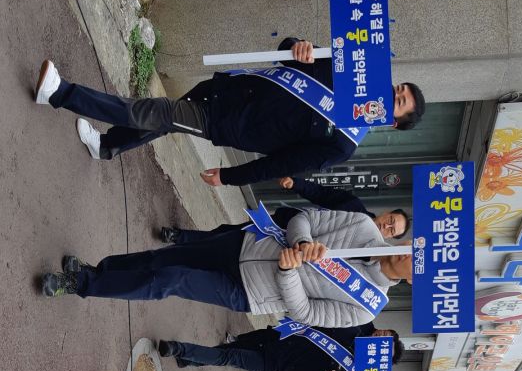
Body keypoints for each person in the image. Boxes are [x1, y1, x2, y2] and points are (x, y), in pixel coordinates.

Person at [34, 40, 425, 185]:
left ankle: (60, 94)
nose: (392, 93)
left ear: (392, 122)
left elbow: (280, 165)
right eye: (398, 88)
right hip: (231, 88)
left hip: (228, 124)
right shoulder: (346, 71)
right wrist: (299, 46)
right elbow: (286, 53)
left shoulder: (342, 143)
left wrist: (230, 177)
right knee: (165, 120)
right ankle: (107, 147)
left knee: (156, 112)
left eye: (399, 101)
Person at [40, 208, 413, 329]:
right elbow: (304, 218)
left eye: (418, 267)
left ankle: (79, 284)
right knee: (160, 259)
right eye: (416, 252)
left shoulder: (367, 306)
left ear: (413, 282)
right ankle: (96, 271)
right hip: (246, 244)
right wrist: (301, 242)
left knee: (170, 280)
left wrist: (288, 273)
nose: (410, 258)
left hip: (248, 291)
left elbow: (306, 313)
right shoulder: (363, 226)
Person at [157, 323, 404, 371]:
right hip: (283, 339)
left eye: (384, 351)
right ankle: (189, 359)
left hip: (280, 365)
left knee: (230, 357)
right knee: (230, 350)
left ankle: (179, 349)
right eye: (383, 341)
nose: (378, 344)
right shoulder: (356, 327)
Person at [278, 175, 411, 240]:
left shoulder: (365, 255)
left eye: (391, 230)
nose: (386, 226)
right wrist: (296, 184)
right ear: (386, 213)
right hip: (285, 223)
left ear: (388, 238)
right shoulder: (353, 204)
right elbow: (321, 194)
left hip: (292, 252)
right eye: (390, 220)